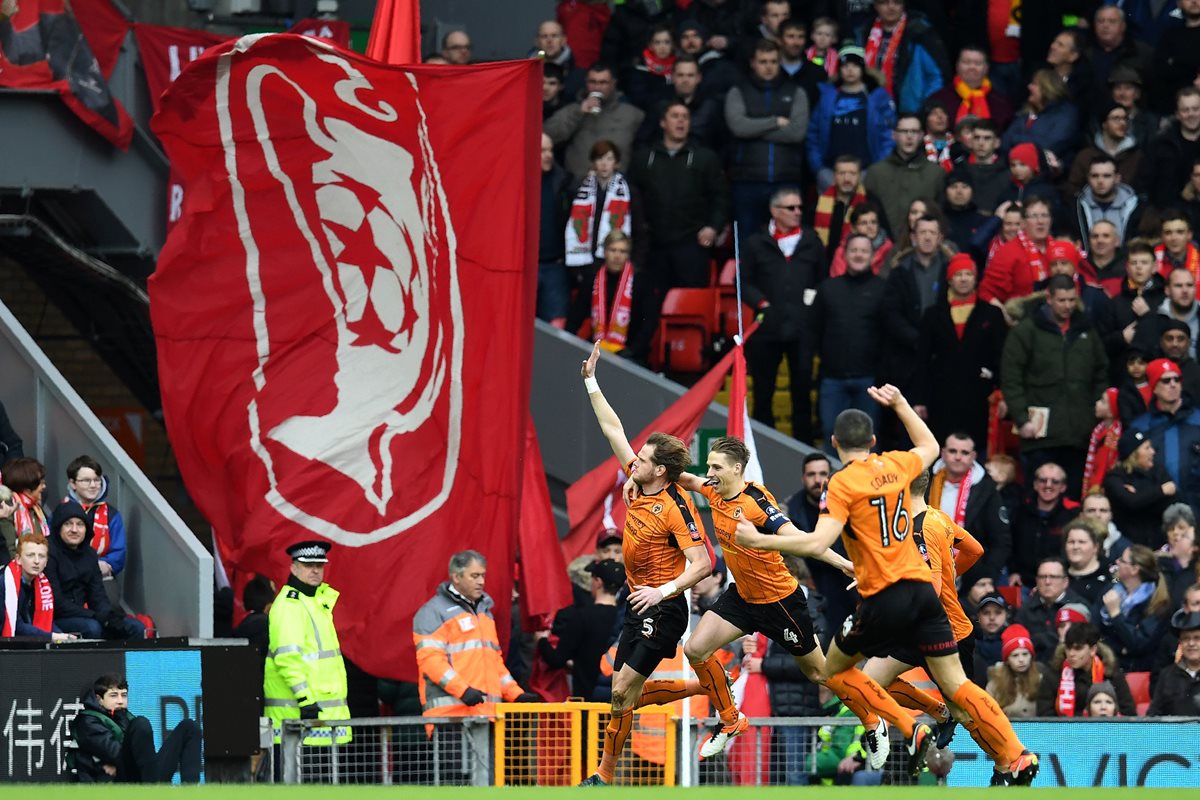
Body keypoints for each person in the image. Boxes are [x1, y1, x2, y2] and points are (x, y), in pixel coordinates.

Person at [734, 385, 1039, 785]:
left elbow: (816, 542)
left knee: (831, 670)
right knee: (957, 687)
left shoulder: (842, 485)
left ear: (834, 443)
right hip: (923, 597)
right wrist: (900, 405)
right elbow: (929, 445)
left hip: (885, 597)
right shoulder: (897, 466)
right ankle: (1015, 755)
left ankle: (910, 728)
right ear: (874, 441)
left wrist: (760, 540)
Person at [576, 342, 713, 786]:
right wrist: (592, 382)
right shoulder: (640, 481)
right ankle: (705, 685)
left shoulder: (677, 506)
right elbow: (614, 430)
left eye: (646, 459)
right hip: (639, 604)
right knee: (623, 700)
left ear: (659, 472)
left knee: (621, 692)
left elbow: (703, 563)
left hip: (665, 607)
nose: (636, 459)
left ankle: (603, 775)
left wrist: (664, 591)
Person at [625, 101, 728, 362]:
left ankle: (690, 359)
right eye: (675, 116)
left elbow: (721, 197)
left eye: (685, 117)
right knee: (648, 306)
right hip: (653, 247)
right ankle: (644, 359)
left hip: (690, 245)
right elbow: (630, 198)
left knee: (688, 306)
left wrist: (713, 227)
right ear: (662, 122)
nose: (681, 121)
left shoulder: (705, 157)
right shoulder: (643, 157)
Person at [1000, 273, 1110, 495]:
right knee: (1037, 496)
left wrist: (1096, 410)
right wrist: (1021, 419)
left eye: (1071, 300)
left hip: (1079, 434)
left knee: (1073, 498)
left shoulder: (1086, 330)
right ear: (1049, 298)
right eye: (1062, 300)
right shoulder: (1026, 331)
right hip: (1039, 436)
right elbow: (1011, 378)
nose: (1068, 306)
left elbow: (1101, 372)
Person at [740, 186, 823, 442]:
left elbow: (822, 279)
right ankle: (763, 446)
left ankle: (803, 448)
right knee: (763, 393)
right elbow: (743, 281)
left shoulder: (812, 241)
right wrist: (761, 303)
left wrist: (811, 302)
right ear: (775, 211)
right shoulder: (755, 243)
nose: (798, 212)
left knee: (802, 394)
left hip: (802, 331)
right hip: (767, 331)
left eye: (800, 207)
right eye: (791, 208)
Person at [265, 541, 350, 747]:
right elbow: (287, 658)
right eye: (308, 565)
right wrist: (305, 700)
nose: (315, 570)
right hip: (299, 721)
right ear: (293, 568)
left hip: (323, 721)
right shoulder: (290, 605)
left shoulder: (315, 603)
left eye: (319, 566)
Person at [724, 39, 810, 244]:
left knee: (788, 240)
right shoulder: (738, 91)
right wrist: (775, 122)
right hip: (747, 181)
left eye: (773, 61)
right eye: (763, 61)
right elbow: (738, 127)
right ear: (753, 63)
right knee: (747, 241)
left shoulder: (795, 91)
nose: (769, 66)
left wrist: (754, 128)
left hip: (785, 179)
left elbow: (796, 133)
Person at [811, 233, 889, 453]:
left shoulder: (882, 289)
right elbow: (813, 331)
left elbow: (889, 334)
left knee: (868, 440)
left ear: (873, 256)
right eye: (854, 250)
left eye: (864, 250)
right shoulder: (828, 288)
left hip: (870, 382)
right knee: (831, 436)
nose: (858, 255)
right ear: (844, 255)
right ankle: (833, 487)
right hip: (832, 380)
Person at [70, 673, 200, 783]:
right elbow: (114, 754)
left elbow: (144, 757)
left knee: (189, 727)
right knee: (141, 723)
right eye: (114, 695)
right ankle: (152, 791)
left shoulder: (125, 716)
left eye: (124, 695)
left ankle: (190, 793)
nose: (120, 701)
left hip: (143, 776)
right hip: (115, 781)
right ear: (99, 699)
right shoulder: (88, 720)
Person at [45, 501, 144, 640]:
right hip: (56, 617)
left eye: (80, 524)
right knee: (93, 627)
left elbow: (98, 596)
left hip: (86, 615)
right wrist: (97, 616)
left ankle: (129, 662)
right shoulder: (46, 552)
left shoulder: (90, 554)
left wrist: (109, 617)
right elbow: (57, 603)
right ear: (58, 527)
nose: (74, 530)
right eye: (68, 524)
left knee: (135, 627)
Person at [564, 140, 635, 334]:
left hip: (615, 262)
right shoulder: (580, 188)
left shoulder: (628, 190)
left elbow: (637, 225)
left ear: (617, 163)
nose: (604, 164)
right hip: (587, 261)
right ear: (593, 163)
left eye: (609, 159)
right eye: (599, 159)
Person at [925, 431, 1012, 587]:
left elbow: (1000, 540)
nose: (958, 457)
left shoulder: (987, 489)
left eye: (964, 453)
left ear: (973, 456)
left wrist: (985, 576)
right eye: (953, 451)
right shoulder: (925, 482)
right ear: (943, 454)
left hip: (971, 576)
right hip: (926, 568)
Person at [806, 46, 896, 191]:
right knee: (829, 213)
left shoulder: (877, 97)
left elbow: (889, 134)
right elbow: (813, 133)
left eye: (855, 65)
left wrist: (878, 168)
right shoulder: (827, 96)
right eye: (845, 66)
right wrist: (818, 168)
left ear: (863, 69)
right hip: (830, 172)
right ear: (839, 69)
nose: (850, 70)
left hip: (867, 171)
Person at [785, 452, 859, 630]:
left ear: (831, 475)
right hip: (810, 589)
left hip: (849, 583)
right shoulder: (789, 511)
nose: (817, 480)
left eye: (823, 474)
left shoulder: (851, 505)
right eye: (811, 474)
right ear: (803, 478)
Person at [536, 558, 623, 702]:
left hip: (586, 704)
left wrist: (541, 640)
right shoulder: (626, 619)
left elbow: (556, 659)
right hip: (620, 704)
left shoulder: (581, 617)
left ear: (598, 582)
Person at [545, 63, 645, 182]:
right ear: (586, 83)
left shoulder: (632, 114)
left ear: (613, 84)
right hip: (578, 185)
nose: (597, 87)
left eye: (603, 82)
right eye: (592, 82)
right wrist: (579, 112)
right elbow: (548, 135)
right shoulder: (572, 110)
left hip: (617, 188)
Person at [1129, 357, 1200, 513]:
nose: (1173, 384)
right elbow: (1131, 468)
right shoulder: (1141, 426)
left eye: (1177, 379)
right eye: (1166, 381)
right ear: (1154, 387)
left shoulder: (1198, 420)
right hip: (1157, 510)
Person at [864, 113, 946, 242]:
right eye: (904, 131)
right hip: (882, 248)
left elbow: (940, 216)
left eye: (914, 131)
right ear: (894, 135)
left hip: (923, 247)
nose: (909, 136)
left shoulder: (936, 174)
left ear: (921, 136)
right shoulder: (876, 173)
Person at [859, 0, 948, 113]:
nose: (891, 7)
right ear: (876, 5)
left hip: (909, 112)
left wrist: (924, 107)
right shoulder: (864, 31)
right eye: (884, 2)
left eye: (897, 2)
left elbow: (936, 77)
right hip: (869, 107)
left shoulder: (919, 32)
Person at [1099, 544, 1174, 672]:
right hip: (1110, 666)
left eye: (1122, 560)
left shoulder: (1157, 603)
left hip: (1139, 671)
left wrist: (1116, 614)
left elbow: (1139, 643)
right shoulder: (1111, 590)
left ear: (1134, 569)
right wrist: (1121, 648)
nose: (1117, 561)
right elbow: (1097, 632)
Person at [1037, 622, 1136, 717]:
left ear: (1093, 650)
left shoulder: (1112, 675)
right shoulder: (1053, 675)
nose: (1071, 654)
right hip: (1063, 733)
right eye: (1068, 647)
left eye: (1078, 648)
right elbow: (1044, 716)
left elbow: (1128, 713)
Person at [1103, 429, 1176, 548]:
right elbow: (1131, 502)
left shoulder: (1159, 472)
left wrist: (1140, 497)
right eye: (1147, 448)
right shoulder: (1115, 477)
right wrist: (1160, 491)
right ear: (1133, 454)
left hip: (1160, 542)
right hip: (1128, 545)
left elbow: (1172, 502)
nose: (1152, 452)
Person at [1001, 69, 1079, 171]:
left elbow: (1049, 145)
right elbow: (1005, 140)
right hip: (1013, 169)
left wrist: (1016, 139)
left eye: (1034, 84)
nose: (1029, 87)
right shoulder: (1026, 111)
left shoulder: (1066, 114)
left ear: (1047, 88)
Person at [1015, 556, 1088, 663]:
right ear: (1036, 581)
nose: (1047, 582)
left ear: (1065, 582)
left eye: (1053, 577)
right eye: (1042, 577)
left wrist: (1038, 639)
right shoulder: (1025, 609)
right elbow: (1019, 642)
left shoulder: (1078, 606)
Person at [64, 455, 126, 579]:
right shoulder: (62, 511)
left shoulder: (111, 515)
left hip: (101, 577)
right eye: (86, 480)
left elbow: (119, 552)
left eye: (97, 480)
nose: (93, 485)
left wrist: (104, 564)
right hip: (67, 577)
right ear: (73, 484)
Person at [1, 533, 72, 640]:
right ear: (18, 559)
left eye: (41, 556)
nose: (37, 561)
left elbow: (48, 621)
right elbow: (16, 626)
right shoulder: (5, 583)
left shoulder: (43, 585)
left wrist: (64, 637)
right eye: (30, 555)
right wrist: (52, 636)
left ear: (46, 561)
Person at [1138, 87, 1200, 210]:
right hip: (1168, 215)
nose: (1191, 114)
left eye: (1195, 109)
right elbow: (1144, 184)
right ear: (1177, 114)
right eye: (1185, 110)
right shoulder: (1160, 144)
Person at [929, 44, 1014, 133]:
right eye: (966, 62)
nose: (972, 67)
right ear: (957, 66)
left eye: (978, 63)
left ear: (986, 68)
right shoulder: (939, 99)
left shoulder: (1001, 103)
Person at [1066, 102, 1142, 199]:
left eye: (1125, 119)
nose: (1122, 123)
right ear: (1104, 124)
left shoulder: (1137, 156)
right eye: (1116, 119)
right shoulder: (1086, 156)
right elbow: (1072, 189)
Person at [1072, 154, 1142, 246]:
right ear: (1088, 178)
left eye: (1106, 176)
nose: (1100, 181)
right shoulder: (1076, 206)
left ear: (1117, 178)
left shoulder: (1136, 206)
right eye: (1095, 176)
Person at [538, 133, 570, 326]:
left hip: (555, 266)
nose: (548, 155)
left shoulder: (563, 182)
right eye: (542, 151)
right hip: (526, 267)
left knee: (557, 326)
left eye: (550, 150)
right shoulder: (518, 182)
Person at [984, 625, 1047, 719]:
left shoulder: (1042, 679)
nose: (1021, 659)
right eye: (1015, 655)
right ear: (1007, 660)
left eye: (1025, 654)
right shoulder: (994, 685)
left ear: (1031, 656)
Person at [1147, 608, 1200, 715]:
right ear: (1180, 643)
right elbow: (1153, 716)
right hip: (1174, 732)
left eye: (1197, 638)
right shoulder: (1167, 675)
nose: (1191, 643)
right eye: (1186, 638)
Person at [828, 201, 894, 277]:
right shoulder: (842, 252)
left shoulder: (889, 250)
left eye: (873, 222)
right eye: (864, 223)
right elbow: (838, 280)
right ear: (853, 228)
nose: (870, 227)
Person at [1063, 519, 1114, 605]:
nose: (1076, 547)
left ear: (1096, 547)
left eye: (1082, 542)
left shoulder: (1110, 575)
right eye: (1071, 542)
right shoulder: (1056, 573)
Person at [964, 119, 1009, 214]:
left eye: (987, 138)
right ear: (971, 142)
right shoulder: (961, 172)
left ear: (997, 143)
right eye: (977, 138)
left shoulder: (1007, 176)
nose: (981, 143)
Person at [3, 457, 48, 539]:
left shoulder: (36, 508)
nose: (44, 486)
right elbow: (9, 547)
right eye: (40, 483)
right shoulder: (8, 509)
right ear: (26, 489)